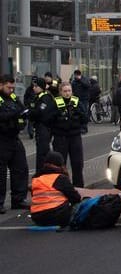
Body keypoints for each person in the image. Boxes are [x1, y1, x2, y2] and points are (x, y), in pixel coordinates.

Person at [0, 74, 31, 213]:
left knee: (20, 168)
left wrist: (20, 115)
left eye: (13, 87)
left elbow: (22, 110)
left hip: (14, 137)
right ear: (1, 85)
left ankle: (18, 199)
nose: (11, 90)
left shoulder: (13, 98)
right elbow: (3, 116)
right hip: (1, 138)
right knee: (1, 173)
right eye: (8, 87)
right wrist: (14, 113)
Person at [30, 151, 82, 227]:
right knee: (80, 205)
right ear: (60, 164)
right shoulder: (60, 178)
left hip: (37, 217)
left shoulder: (36, 179)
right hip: (57, 215)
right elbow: (76, 198)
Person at [52, 82, 87, 187]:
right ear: (60, 92)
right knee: (60, 164)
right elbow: (49, 119)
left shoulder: (76, 102)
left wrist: (78, 113)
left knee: (77, 163)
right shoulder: (56, 103)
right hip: (60, 137)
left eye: (69, 91)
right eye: (65, 91)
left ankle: (79, 187)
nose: (67, 93)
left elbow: (85, 118)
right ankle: (62, 187)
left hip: (75, 137)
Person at [29, 76, 58, 173]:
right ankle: (41, 173)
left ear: (41, 87)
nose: (34, 88)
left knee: (43, 153)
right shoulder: (39, 97)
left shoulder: (45, 98)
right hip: (41, 128)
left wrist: (30, 112)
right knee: (41, 152)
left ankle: (41, 174)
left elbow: (39, 112)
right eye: (33, 86)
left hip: (44, 128)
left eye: (36, 86)